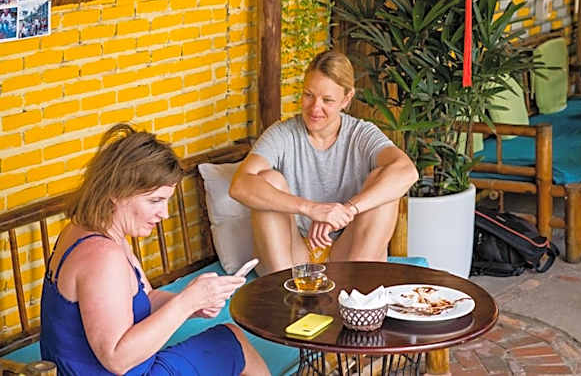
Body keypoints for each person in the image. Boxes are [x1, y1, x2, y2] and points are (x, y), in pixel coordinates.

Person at [39, 124, 269, 376]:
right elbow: (117, 360)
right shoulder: (102, 256)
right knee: (234, 344)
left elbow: (146, 298)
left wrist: (195, 304)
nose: (164, 213)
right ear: (116, 192)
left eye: (166, 200)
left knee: (229, 339)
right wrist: (187, 302)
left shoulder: (89, 229)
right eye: (155, 201)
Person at [230, 51, 418, 276]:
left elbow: (408, 172)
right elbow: (239, 185)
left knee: (383, 181)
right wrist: (311, 209)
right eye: (308, 95)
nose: (314, 108)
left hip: (348, 255)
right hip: (293, 258)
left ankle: (355, 289)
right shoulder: (282, 134)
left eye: (327, 100)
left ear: (346, 99)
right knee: (268, 179)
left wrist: (345, 211)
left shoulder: (361, 134)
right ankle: (284, 289)